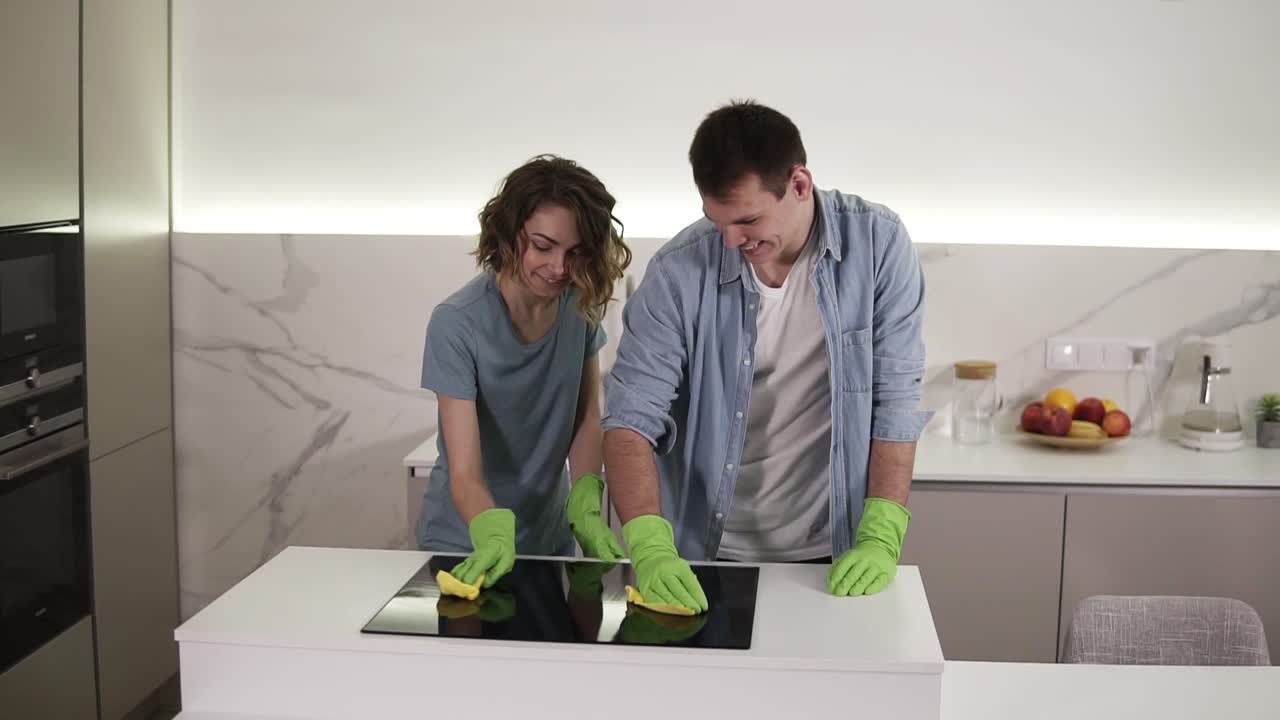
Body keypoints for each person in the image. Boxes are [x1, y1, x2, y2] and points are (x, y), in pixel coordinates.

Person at [602, 101, 932, 612]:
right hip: (700, 559)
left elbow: (895, 403)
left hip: (834, 554)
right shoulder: (677, 273)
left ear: (799, 184)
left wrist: (882, 530)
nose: (732, 240)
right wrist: (649, 544)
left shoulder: (878, 246)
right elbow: (628, 422)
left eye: (748, 219)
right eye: (718, 222)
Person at [416, 154, 632, 589]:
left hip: (549, 541)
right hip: (466, 543)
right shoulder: (458, 323)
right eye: (542, 246)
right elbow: (463, 473)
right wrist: (492, 530)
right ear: (508, 233)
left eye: (575, 253)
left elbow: (586, 416)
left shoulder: (579, 303)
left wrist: (586, 503)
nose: (558, 269)